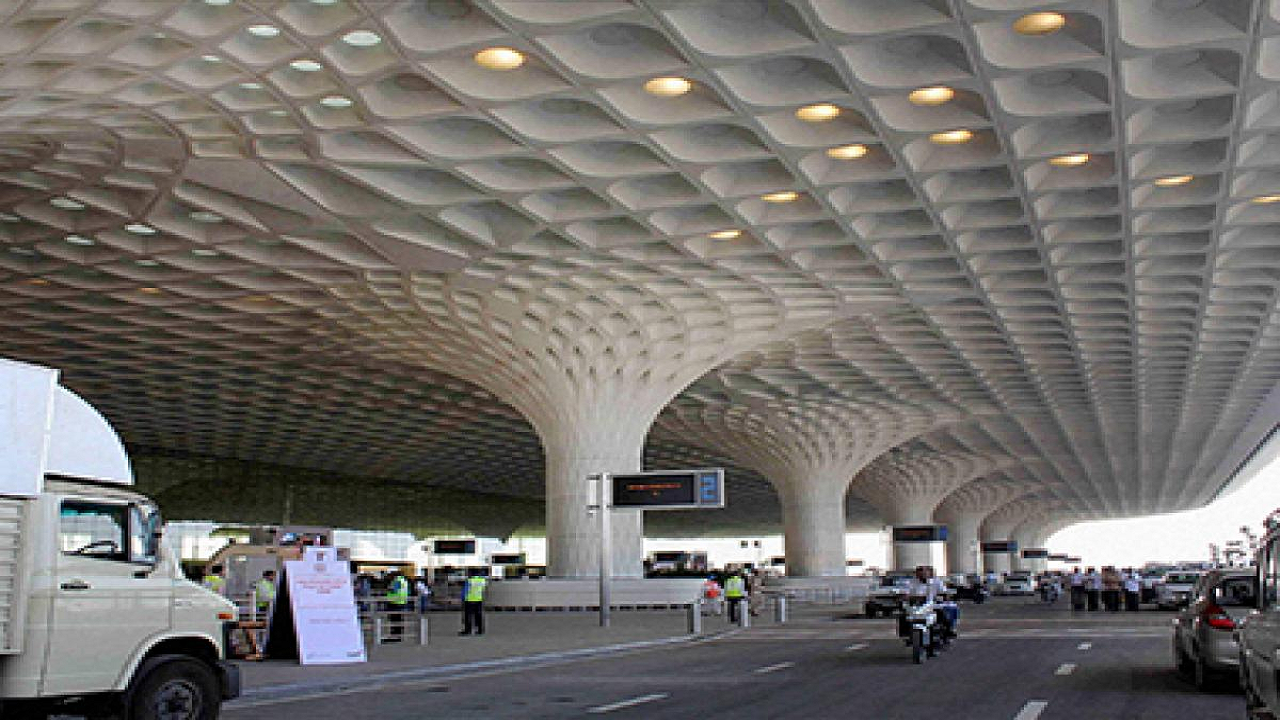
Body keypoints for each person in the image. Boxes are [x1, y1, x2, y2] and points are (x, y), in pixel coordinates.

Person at [459, 569, 487, 635]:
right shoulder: (482, 581)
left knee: (468, 616)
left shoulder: (469, 581)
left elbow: (465, 591)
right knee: (478, 616)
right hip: (478, 600)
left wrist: (462, 598)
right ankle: (480, 630)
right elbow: (483, 589)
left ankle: (468, 630)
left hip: (469, 600)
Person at [385, 571, 410, 639]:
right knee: (399, 619)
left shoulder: (397, 580)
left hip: (395, 602)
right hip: (401, 601)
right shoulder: (403, 580)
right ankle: (399, 635)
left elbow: (393, 589)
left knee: (395, 620)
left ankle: (395, 635)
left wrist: (388, 588)